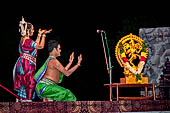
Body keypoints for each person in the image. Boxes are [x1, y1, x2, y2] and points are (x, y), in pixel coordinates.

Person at [13, 17, 52, 102]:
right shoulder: (27, 41)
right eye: (33, 30)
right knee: (30, 82)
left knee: (25, 81)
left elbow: (35, 46)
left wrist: (39, 34)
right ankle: (27, 100)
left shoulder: (24, 40)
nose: (33, 31)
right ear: (28, 31)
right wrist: (44, 36)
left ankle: (22, 98)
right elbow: (40, 46)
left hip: (23, 63)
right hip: (26, 64)